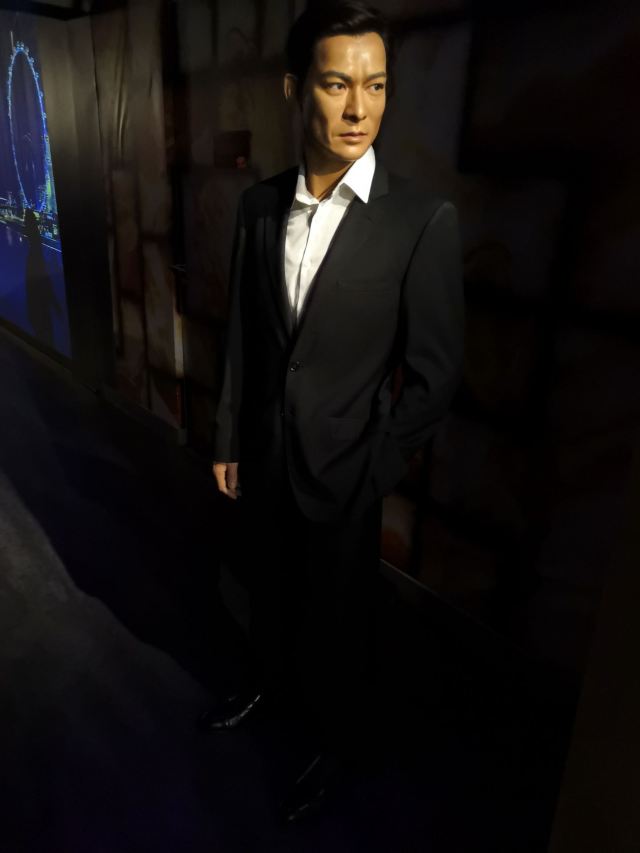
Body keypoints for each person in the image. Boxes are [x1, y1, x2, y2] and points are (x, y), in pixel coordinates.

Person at [199, 0, 464, 824]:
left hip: (347, 471)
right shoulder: (259, 206)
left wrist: (372, 470)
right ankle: (266, 687)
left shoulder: (420, 221)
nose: (359, 108)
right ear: (295, 88)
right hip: (263, 453)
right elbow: (245, 335)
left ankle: (333, 743)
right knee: (267, 590)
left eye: (376, 85)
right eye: (337, 84)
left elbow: (435, 377)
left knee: (341, 625)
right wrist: (229, 435)